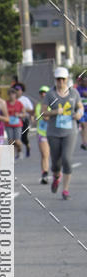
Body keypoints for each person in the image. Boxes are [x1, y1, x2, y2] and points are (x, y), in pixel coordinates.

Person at [41, 66, 83, 200]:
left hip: (70, 131)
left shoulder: (74, 93)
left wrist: (79, 114)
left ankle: (65, 190)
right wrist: (54, 112)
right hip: (53, 132)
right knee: (55, 163)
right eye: (58, 79)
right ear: (55, 80)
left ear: (67, 80)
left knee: (67, 159)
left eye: (63, 79)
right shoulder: (50, 94)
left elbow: (80, 107)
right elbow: (43, 114)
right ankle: (56, 177)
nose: (60, 82)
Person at [34, 85, 50, 184]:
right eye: (41, 93)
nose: (43, 94)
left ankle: (57, 172)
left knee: (55, 156)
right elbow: (39, 118)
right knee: (44, 155)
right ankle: (45, 174)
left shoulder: (53, 105)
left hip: (53, 133)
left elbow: (47, 118)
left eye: (45, 92)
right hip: (42, 132)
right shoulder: (38, 105)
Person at [12, 82, 33, 157]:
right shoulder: (12, 100)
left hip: (24, 120)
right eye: (15, 90)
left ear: (21, 91)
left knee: (23, 138)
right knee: (15, 138)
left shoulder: (25, 99)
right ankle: (18, 152)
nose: (17, 91)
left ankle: (28, 146)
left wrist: (23, 111)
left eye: (18, 90)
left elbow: (31, 110)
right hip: (15, 121)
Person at [5, 86, 25, 158]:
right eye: (10, 94)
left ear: (15, 95)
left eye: (13, 94)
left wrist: (19, 114)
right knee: (10, 141)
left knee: (17, 141)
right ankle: (11, 157)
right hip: (8, 124)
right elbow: (2, 113)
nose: (12, 96)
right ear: (8, 95)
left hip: (17, 124)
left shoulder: (19, 103)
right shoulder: (5, 103)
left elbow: (24, 114)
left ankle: (19, 150)